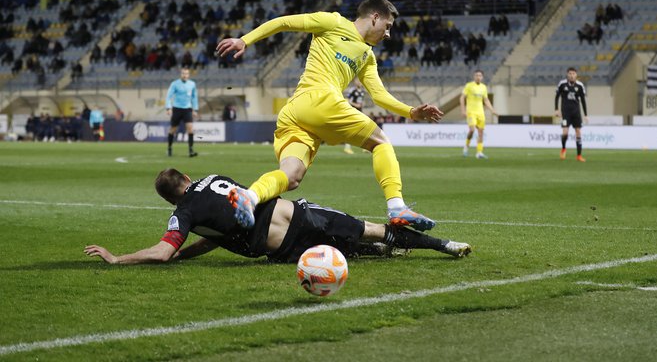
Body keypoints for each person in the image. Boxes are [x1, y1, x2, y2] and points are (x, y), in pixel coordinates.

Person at [216, 0, 443, 232]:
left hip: (296, 112)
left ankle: (249, 197)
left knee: (291, 176)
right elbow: (284, 22)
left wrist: (411, 112)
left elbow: (378, 95)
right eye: (387, 27)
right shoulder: (332, 22)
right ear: (375, 17)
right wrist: (245, 40)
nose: (388, 34)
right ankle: (397, 206)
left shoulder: (367, 55)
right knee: (381, 142)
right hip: (320, 100)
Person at [83, 168, 472, 265]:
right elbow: (218, 233)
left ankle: (378, 251)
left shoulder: (183, 214)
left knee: (347, 252)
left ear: (170, 199)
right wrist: (191, 252)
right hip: (293, 213)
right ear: (187, 178)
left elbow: (164, 252)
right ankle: (443, 245)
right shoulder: (215, 177)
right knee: (371, 231)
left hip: (280, 247)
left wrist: (118, 258)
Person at [460, 69, 498, 159]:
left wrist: (492, 110)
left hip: (480, 113)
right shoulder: (469, 86)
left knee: (481, 133)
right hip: (471, 112)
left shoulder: (483, 87)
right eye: (476, 75)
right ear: (474, 76)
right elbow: (462, 98)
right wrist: (463, 110)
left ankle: (479, 152)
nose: (478, 77)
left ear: (482, 77)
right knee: (472, 130)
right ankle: (466, 147)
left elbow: (486, 100)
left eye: (480, 75)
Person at [554, 67, 588, 162]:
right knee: (565, 132)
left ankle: (579, 155)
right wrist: (556, 109)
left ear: (576, 75)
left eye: (573, 73)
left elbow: (583, 100)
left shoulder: (580, 86)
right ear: (567, 74)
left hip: (576, 112)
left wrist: (585, 114)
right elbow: (557, 97)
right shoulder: (562, 84)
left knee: (578, 132)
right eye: (570, 73)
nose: (572, 75)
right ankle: (563, 149)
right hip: (565, 113)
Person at [165, 67, 199, 157]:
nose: (185, 75)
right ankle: (169, 148)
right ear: (181, 74)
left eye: (186, 73)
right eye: (183, 73)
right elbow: (169, 96)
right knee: (173, 129)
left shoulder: (192, 84)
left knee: (190, 129)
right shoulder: (175, 84)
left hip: (187, 109)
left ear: (189, 75)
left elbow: (194, 97)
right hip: (177, 108)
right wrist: (168, 107)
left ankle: (191, 150)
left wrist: (195, 109)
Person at [343, 79, 365, 154]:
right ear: (355, 82)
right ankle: (347, 148)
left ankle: (365, 147)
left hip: (360, 112)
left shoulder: (362, 91)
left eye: (360, 82)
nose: (359, 83)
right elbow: (347, 100)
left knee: (362, 130)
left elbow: (361, 102)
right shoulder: (352, 90)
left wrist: (361, 105)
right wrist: (356, 105)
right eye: (358, 81)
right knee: (351, 130)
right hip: (353, 112)